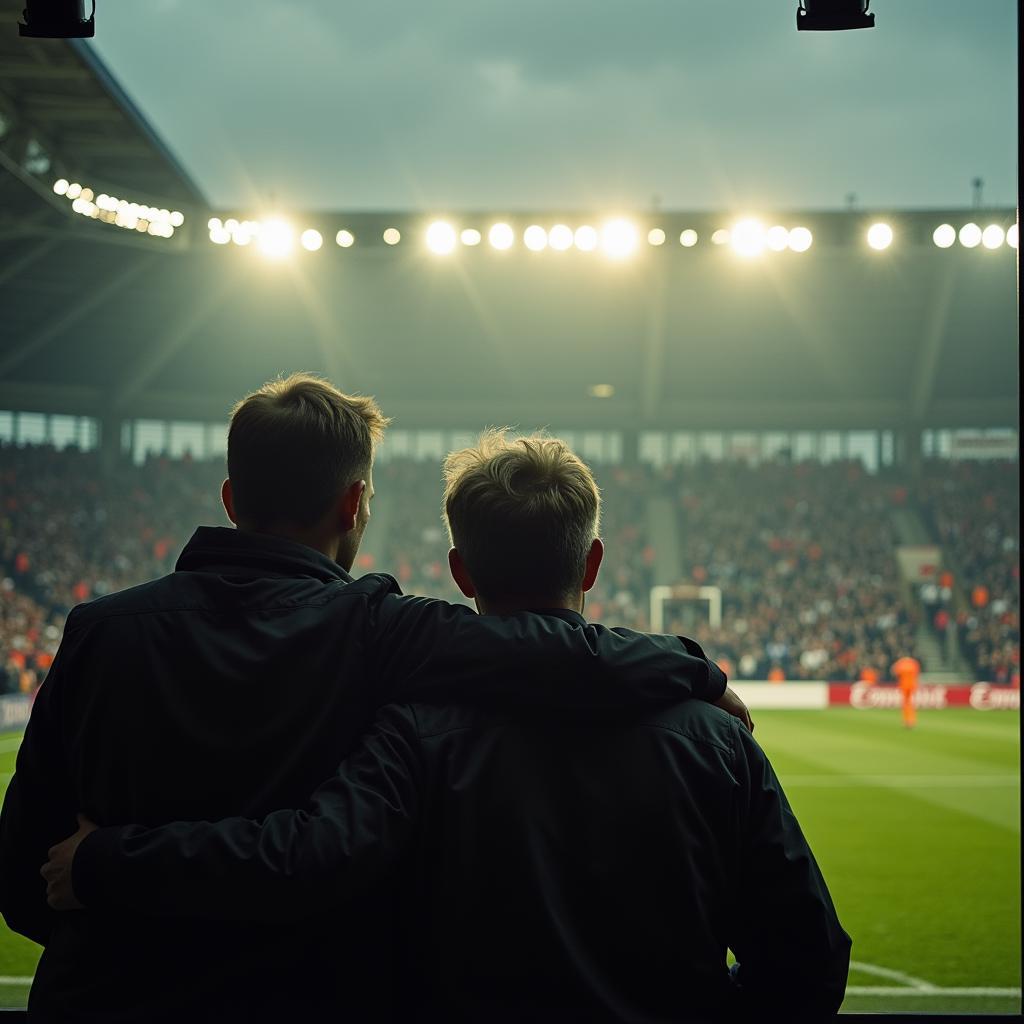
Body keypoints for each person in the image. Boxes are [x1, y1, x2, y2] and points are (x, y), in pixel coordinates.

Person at [0, 376, 745, 1024]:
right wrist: (695, 668)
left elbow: (23, 876)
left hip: (98, 1001)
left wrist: (114, 898)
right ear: (354, 503)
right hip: (304, 1008)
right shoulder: (380, 628)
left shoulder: (98, 632)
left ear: (231, 498)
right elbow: (548, 644)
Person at [891, 654, 921, 729]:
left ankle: (907, 721)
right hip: (912, 685)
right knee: (910, 703)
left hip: (904, 685)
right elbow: (917, 673)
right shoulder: (914, 663)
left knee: (906, 703)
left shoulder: (901, 663)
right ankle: (911, 720)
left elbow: (894, 671)